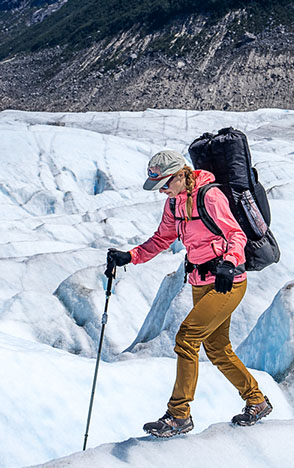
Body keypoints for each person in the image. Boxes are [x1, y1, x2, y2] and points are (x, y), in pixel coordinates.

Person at [107, 149, 272, 438]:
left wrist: (230, 264)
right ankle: (257, 401)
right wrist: (129, 256)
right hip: (200, 280)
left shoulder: (210, 196)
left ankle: (179, 415)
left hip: (227, 280)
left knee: (187, 339)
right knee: (217, 349)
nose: (162, 192)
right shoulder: (174, 204)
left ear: (181, 175)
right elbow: (161, 239)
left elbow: (236, 235)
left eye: (165, 185)